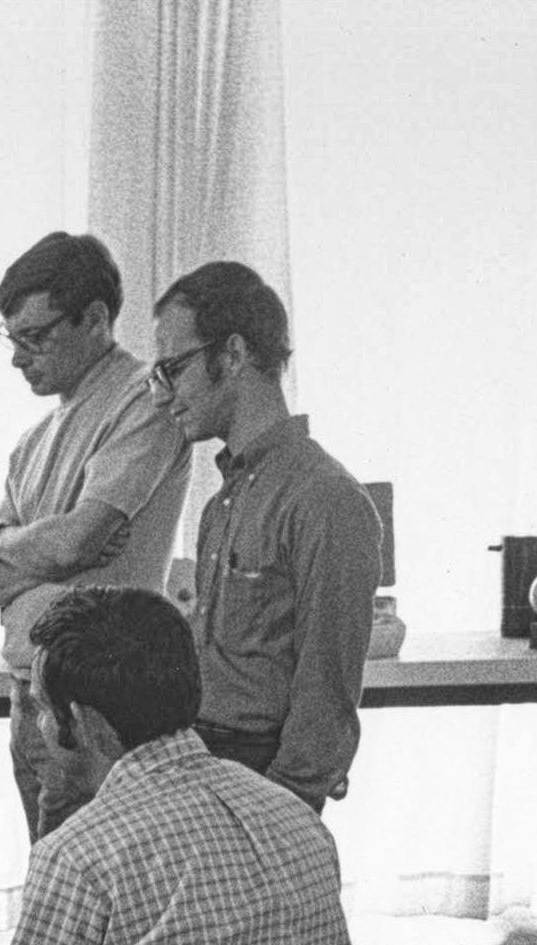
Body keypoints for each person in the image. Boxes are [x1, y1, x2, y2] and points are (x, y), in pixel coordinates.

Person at [0, 584, 356, 945]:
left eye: (42, 710)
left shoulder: (77, 856)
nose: (40, 729)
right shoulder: (297, 817)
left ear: (85, 723)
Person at [0, 232, 191, 841]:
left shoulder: (145, 400)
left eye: (34, 337)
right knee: (51, 877)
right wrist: (22, 547)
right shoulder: (31, 441)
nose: (18, 357)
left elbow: (78, 543)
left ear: (95, 319)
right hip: (28, 692)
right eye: (12, 338)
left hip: (94, 709)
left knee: (92, 890)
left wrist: (12, 542)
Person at [146, 260, 380, 810]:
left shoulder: (327, 499)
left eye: (173, 370)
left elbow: (327, 692)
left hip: (264, 780)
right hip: (205, 762)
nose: (162, 396)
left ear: (232, 355)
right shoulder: (218, 505)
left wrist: (283, 813)